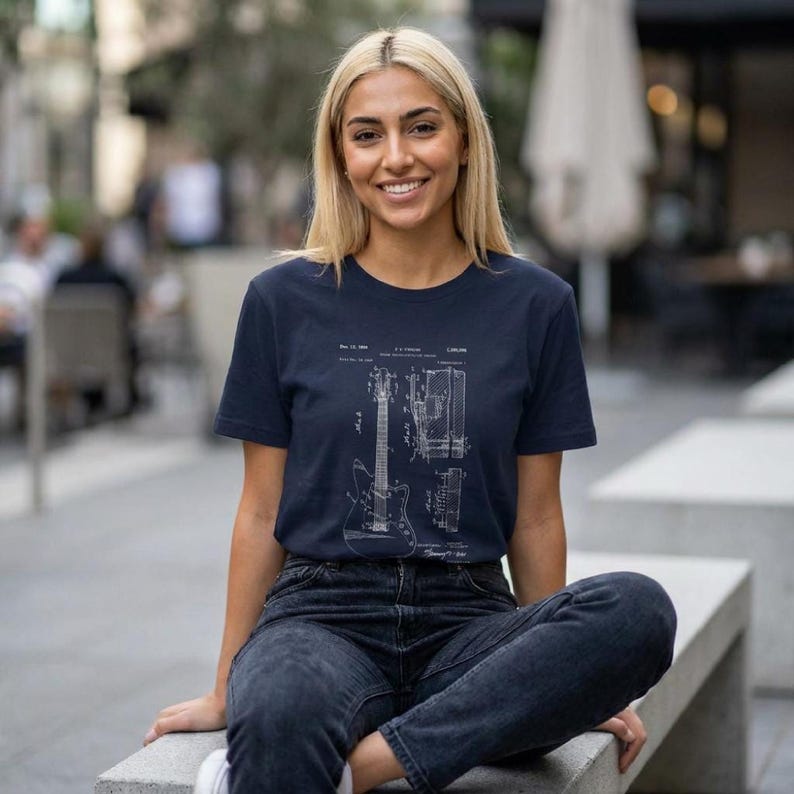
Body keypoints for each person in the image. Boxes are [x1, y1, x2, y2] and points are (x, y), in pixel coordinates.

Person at [144, 27, 677, 794]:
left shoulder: (537, 306)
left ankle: (363, 768)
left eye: (421, 126)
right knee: (282, 705)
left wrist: (557, 673)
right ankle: (408, 739)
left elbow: (534, 518)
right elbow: (260, 511)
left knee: (637, 611)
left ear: (463, 140)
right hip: (319, 615)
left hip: (469, 622)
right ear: (341, 156)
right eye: (368, 136)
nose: (396, 157)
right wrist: (228, 688)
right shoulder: (281, 301)